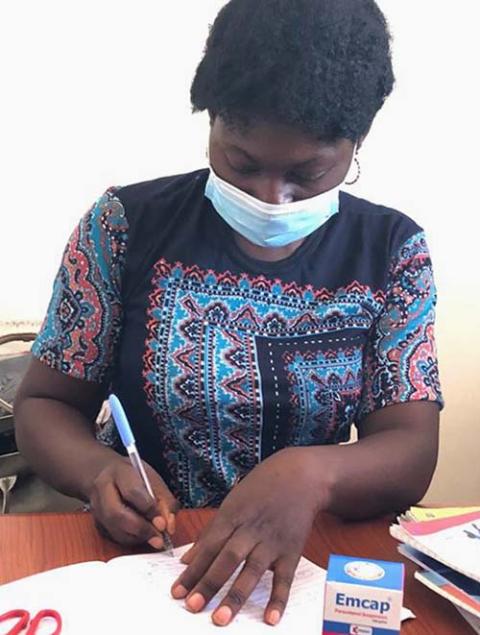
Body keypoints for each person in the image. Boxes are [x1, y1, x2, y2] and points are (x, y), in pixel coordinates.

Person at [15, 0, 443, 627]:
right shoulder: (125, 226)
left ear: (356, 143)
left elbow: (411, 449)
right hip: (144, 558)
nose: (271, 197)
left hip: (306, 564)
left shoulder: (390, 250)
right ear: (212, 122)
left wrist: (311, 475)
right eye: (242, 162)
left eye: (308, 172)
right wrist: (99, 472)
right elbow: (45, 404)